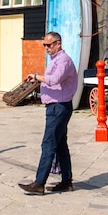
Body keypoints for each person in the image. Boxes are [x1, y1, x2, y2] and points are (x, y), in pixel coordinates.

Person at [18, 31, 77, 195]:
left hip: (59, 107)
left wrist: (37, 76)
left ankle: (39, 183)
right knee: (60, 145)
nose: (46, 48)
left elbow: (54, 80)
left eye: (49, 45)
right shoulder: (56, 60)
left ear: (58, 44)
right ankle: (66, 181)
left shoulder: (63, 61)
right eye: (44, 45)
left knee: (48, 144)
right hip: (55, 106)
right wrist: (38, 79)